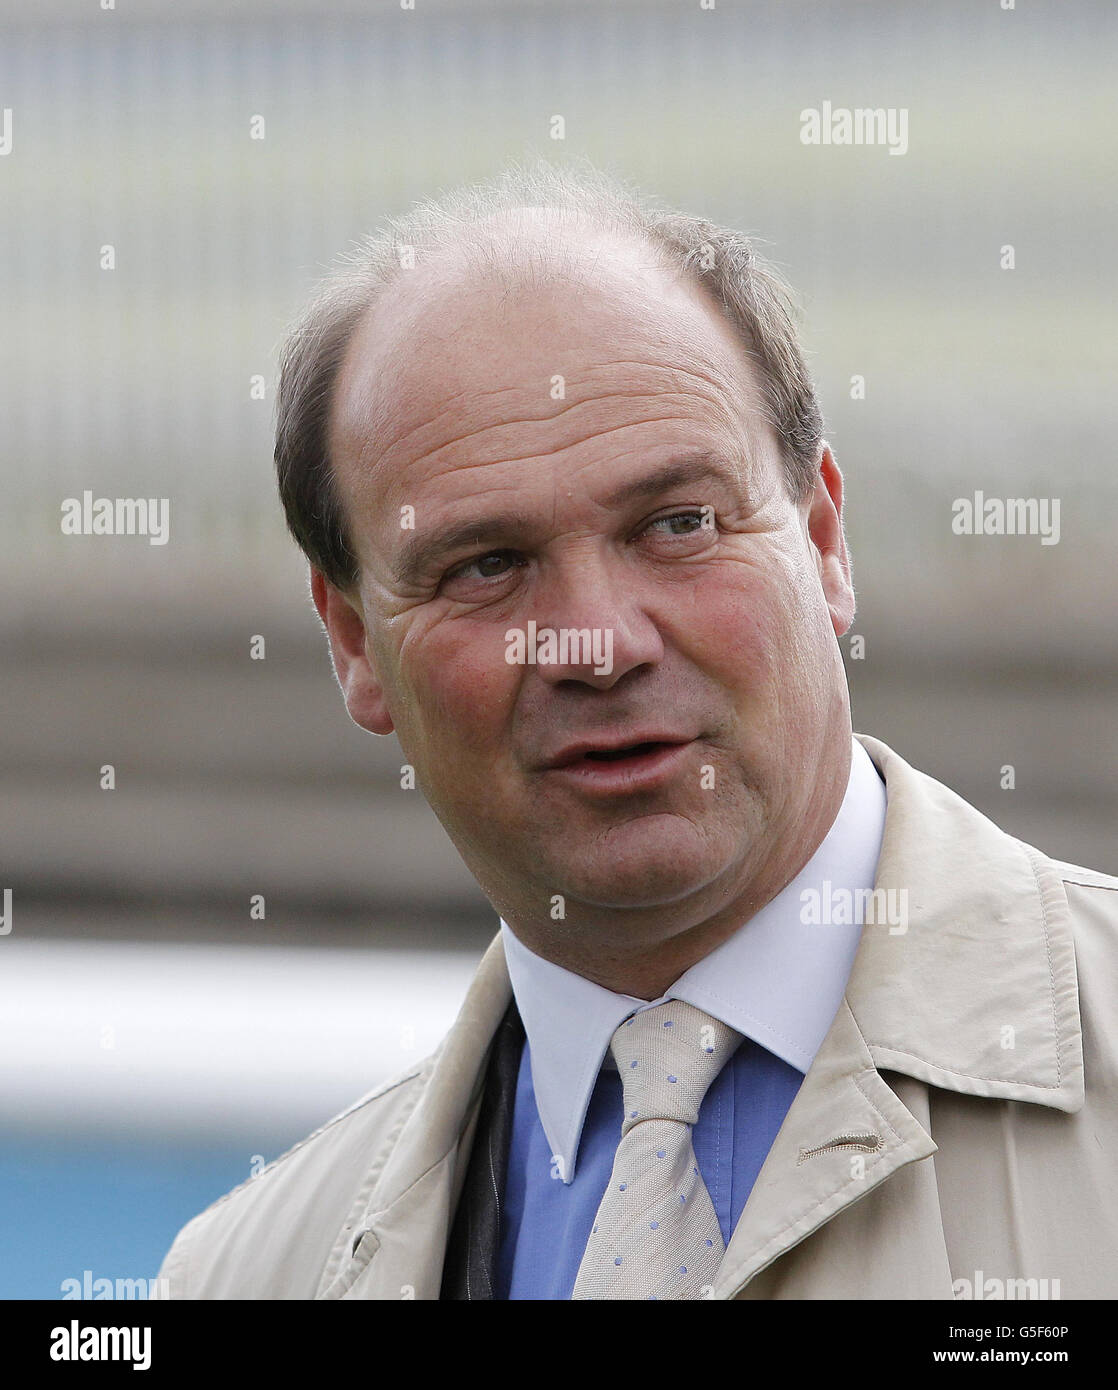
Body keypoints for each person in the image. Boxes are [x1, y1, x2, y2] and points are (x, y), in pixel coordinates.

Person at [157, 161, 1118, 1300]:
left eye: (676, 523)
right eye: (487, 566)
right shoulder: (243, 1279)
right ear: (355, 645)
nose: (595, 643)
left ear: (822, 542)